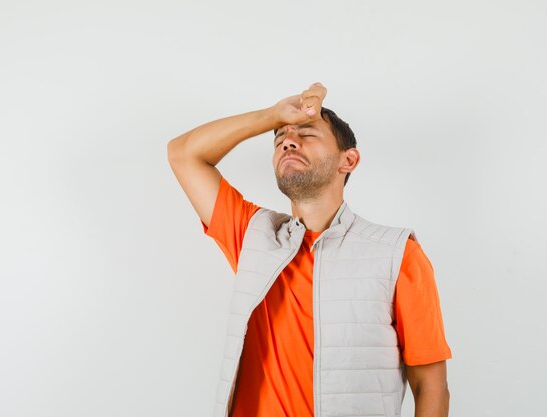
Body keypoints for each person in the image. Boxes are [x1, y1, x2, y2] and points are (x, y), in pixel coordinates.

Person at [167, 82, 452, 417]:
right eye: (280, 139)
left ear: (348, 160)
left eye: (307, 134)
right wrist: (271, 115)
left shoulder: (397, 254)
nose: (288, 141)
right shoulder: (254, 235)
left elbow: (430, 386)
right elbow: (183, 154)